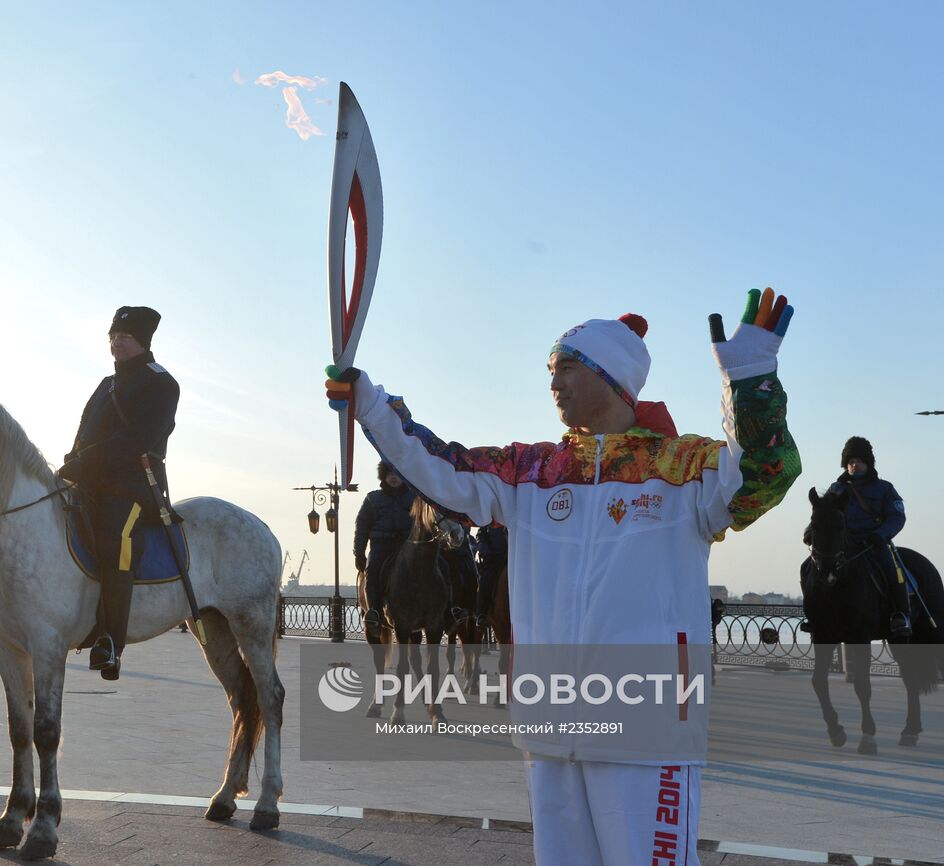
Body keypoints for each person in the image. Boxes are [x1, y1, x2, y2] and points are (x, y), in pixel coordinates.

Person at [325, 291, 799, 866]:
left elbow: (763, 478)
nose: (555, 382)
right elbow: (442, 466)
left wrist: (750, 385)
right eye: (552, 370)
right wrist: (370, 404)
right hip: (550, 724)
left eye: (568, 368)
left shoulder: (684, 468)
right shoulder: (532, 471)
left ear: (614, 380)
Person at [54, 306, 179, 680]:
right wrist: (72, 459)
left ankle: (111, 640)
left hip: (133, 486)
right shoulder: (105, 385)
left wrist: (85, 460)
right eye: (112, 337)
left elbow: (138, 438)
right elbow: (83, 431)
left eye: (124, 337)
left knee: (116, 537)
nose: (116, 343)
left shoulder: (161, 382)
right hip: (89, 480)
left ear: (142, 341)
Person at [830, 436, 910, 638]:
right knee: (811, 568)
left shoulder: (884, 488)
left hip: (873, 545)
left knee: (893, 571)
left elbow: (896, 517)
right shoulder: (836, 489)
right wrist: (809, 531)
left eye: (858, 461)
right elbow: (823, 516)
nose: (854, 465)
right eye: (850, 462)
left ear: (867, 463)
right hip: (843, 548)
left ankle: (901, 614)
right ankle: (818, 615)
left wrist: (880, 535)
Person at [354, 461, 417, 627]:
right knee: (372, 573)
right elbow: (362, 527)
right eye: (390, 474)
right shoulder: (372, 498)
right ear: (383, 476)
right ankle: (374, 611)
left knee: (438, 567)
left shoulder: (415, 497)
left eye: (397, 473)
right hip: (382, 546)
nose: (394, 477)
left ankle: (446, 609)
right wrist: (359, 553)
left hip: (408, 546)